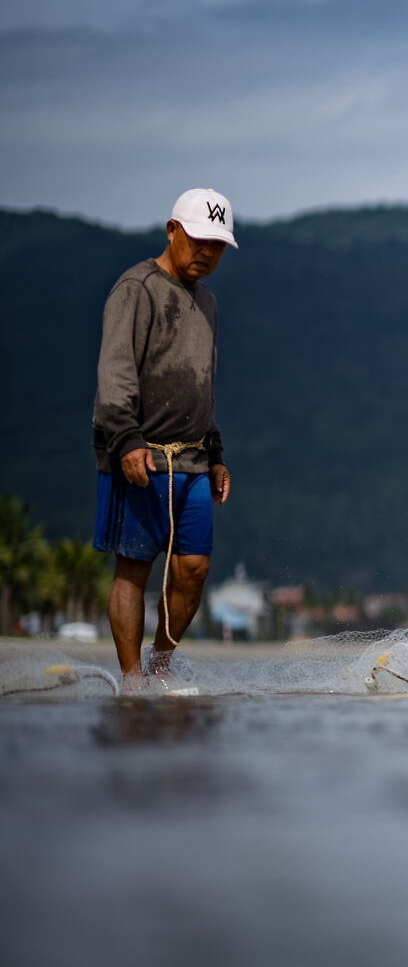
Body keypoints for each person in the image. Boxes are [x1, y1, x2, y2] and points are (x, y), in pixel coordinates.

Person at [91, 188, 237, 682]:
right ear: (172, 231)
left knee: (193, 568)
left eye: (217, 246)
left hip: (194, 461)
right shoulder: (136, 288)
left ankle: (159, 666)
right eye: (198, 240)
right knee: (133, 570)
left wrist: (215, 453)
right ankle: (132, 682)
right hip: (140, 456)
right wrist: (126, 440)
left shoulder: (208, 304)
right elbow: (115, 373)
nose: (206, 252)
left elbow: (202, 387)